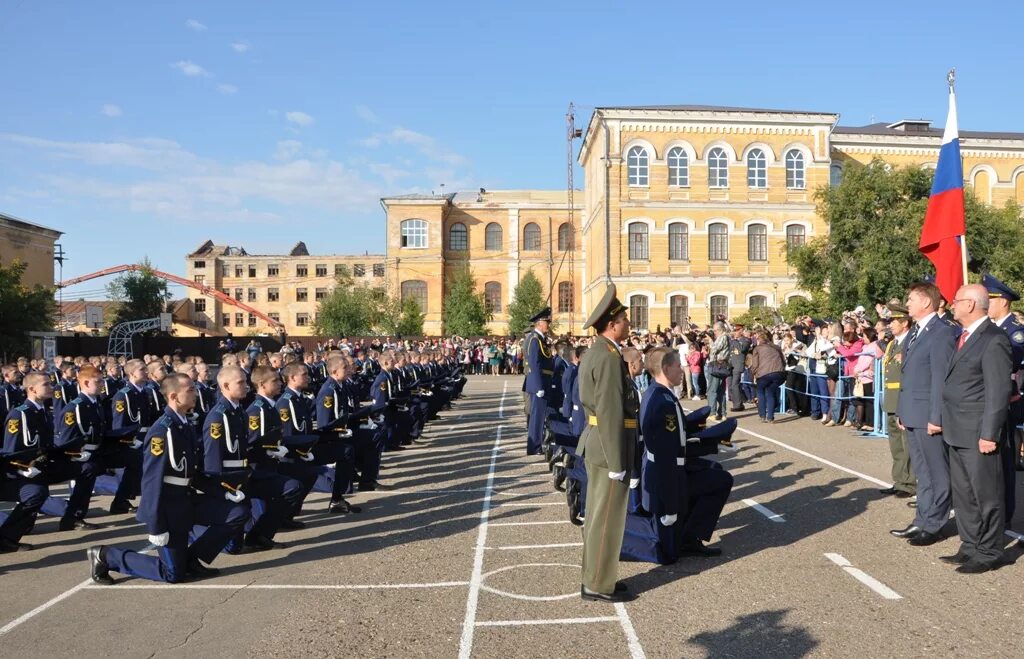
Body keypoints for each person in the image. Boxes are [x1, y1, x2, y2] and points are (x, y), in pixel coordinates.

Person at [88, 373, 249, 584]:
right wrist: (156, 525)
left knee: (237, 513)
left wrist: (223, 492)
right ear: (174, 396)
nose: (196, 393)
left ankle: (191, 559)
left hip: (187, 499)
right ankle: (106, 556)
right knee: (172, 574)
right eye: (190, 390)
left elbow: (192, 473)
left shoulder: (184, 424)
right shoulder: (162, 432)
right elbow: (152, 482)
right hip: (169, 507)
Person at [939, 284, 1013, 573]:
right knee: (964, 494)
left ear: (970, 305)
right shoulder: (965, 336)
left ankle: (990, 550)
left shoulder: (993, 339)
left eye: (956, 301)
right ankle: (970, 544)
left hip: (978, 431)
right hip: (957, 428)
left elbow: (997, 391)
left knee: (987, 494)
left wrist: (989, 434)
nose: (952, 305)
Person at [639, 346, 732, 560]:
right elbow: (667, 453)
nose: (682, 370)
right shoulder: (661, 401)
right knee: (668, 555)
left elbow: (677, 437)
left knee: (716, 475)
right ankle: (687, 536)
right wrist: (671, 503)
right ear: (665, 368)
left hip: (670, 472)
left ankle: (690, 534)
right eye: (677, 366)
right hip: (667, 478)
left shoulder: (660, 393)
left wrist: (714, 442)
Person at [577, 284, 638, 603]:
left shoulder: (601, 351)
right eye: (625, 319)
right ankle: (598, 584)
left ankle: (600, 575)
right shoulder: (608, 356)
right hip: (607, 447)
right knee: (606, 520)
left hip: (600, 442)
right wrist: (618, 462)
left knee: (602, 516)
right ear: (613, 323)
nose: (628, 323)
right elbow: (610, 410)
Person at [891, 282, 957, 546]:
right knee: (922, 471)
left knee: (937, 472)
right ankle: (921, 520)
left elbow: (940, 378)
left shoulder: (941, 332)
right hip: (912, 411)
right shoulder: (917, 331)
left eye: (910, 300)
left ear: (926, 303)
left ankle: (935, 524)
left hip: (928, 414)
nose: (907, 304)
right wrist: (902, 410)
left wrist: (936, 417)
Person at [981, 273, 1024, 522]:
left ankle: (1005, 513)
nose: (987, 303)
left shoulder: (1015, 332)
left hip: (1004, 402)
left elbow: (1010, 362)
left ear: (1004, 301)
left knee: (1005, 460)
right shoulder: (991, 329)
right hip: (984, 400)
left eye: (991, 299)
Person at [878, 304, 915, 500]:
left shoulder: (911, 342)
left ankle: (909, 483)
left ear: (904, 323)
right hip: (891, 401)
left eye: (893, 321)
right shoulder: (893, 343)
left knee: (906, 444)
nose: (890, 325)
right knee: (896, 444)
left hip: (903, 399)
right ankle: (899, 480)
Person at [524, 308, 554, 456]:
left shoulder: (540, 339)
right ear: (539, 323)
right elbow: (534, 364)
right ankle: (534, 446)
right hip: (539, 383)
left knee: (539, 417)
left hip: (543, 381)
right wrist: (538, 386)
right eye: (546, 322)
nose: (548, 324)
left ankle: (537, 444)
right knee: (536, 417)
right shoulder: (534, 339)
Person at [750, 331, 785, 423]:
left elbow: (755, 364)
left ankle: (762, 415)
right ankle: (770, 417)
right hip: (779, 373)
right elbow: (783, 361)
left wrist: (752, 373)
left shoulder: (757, 349)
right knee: (770, 393)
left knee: (760, 392)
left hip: (764, 374)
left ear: (759, 340)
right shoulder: (777, 347)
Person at [705, 322, 730, 421]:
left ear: (720, 330)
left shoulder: (723, 337)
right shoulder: (724, 337)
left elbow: (715, 349)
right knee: (720, 391)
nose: (714, 332)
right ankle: (722, 413)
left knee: (712, 390)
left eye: (715, 331)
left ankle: (712, 413)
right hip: (721, 365)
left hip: (717, 365)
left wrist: (711, 341)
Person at [727, 325, 752, 411]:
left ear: (741, 331)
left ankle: (737, 405)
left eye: (736, 330)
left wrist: (734, 340)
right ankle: (741, 400)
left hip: (738, 365)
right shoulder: (733, 341)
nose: (734, 332)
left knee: (735, 385)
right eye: (734, 330)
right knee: (730, 386)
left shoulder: (746, 340)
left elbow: (742, 349)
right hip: (730, 365)